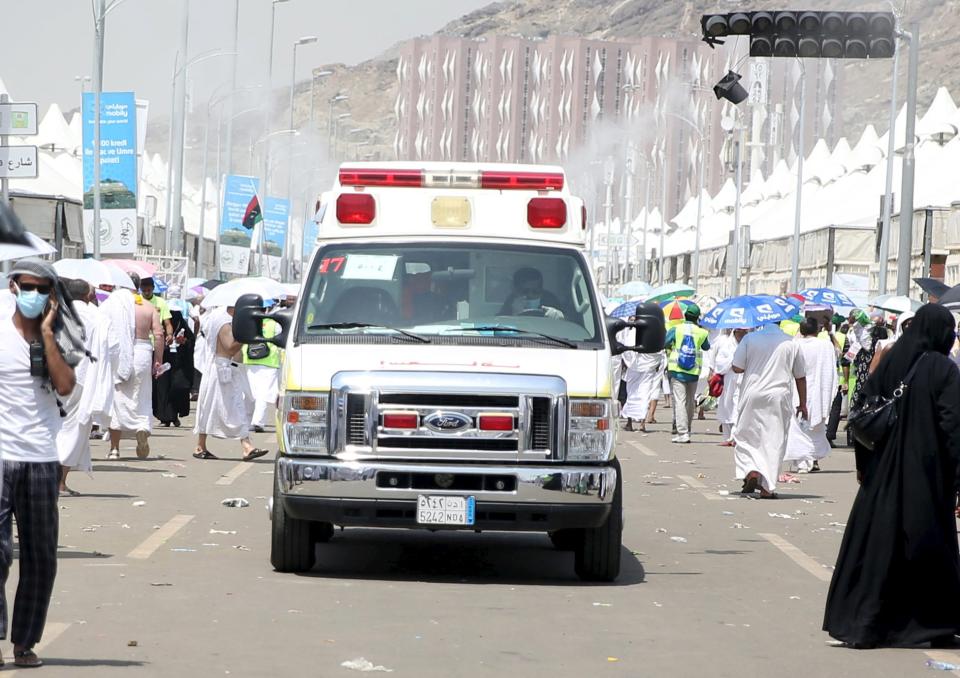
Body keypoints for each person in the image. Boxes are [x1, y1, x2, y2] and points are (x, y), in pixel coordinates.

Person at [824, 304, 960, 648]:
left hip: (882, 472)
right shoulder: (943, 369)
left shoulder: (891, 359)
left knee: (877, 546)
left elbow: (864, 411)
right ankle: (927, 624)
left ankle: (866, 623)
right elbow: (953, 426)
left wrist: (862, 466)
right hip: (925, 475)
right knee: (925, 544)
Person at [0, 259, 76, 668]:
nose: (35, 295)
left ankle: (24, 641)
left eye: (43, 289)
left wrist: (46, 334)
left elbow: (65, 386)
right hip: (1, 454)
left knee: (41, 555)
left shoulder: (63, 336)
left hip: (42, 457)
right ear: (13, 287)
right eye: (28, 287)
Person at [732, 320, 807, 498]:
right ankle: (767, 487)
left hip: (752, 393)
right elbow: (800, 376)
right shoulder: (791, 342)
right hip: (778, 396)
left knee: (746, 436)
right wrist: (803, 403)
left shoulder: (750, 338)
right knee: (774, 439)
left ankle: (751, 470)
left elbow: (737, 367)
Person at [56, 279, 112, 496]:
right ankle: (59, 482)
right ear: (88, 296)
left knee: (52, 426)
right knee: (73, 428)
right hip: (82, 378)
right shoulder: (97, 316)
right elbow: (111, 348)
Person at [193, 305, 268, 461]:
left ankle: (201, 445)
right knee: (236, 405)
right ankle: (247, 446)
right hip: (223, 369)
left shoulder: (226, 320)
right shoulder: (224, 323)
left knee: (211, 407)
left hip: (229, 368)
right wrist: (246, 335)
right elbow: (230, 348)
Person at [108, 273, 163, 460]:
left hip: (118, 352)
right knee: (141, 394)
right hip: (142, 352)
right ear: (138, 286)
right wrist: (159, 360)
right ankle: (141, 427)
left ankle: (114, 449)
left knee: (118, 397)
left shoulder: (114, 306)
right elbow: (159, 334)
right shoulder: (148, 307)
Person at [784, 317, 838, 473]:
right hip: (818, 393)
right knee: (815, 429)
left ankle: (804, 461)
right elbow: (836, 357)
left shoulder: (794, 345)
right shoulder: (825, 345)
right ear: (817, 330)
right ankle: (811, 460)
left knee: (798, 429)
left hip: (796, 391)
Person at [663, 303, 710, 444]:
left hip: (677, 370)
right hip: (693, 372)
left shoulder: (676, 329)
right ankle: (687, 429)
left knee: (679, 401)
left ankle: (682, 433)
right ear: (697, 317)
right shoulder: (702, 332)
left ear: (685, 315)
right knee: (690, 402)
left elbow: (665, 343)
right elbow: (706, 347)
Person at [154, 287, 194, 427]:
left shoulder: (181, 325)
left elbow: (191, 340)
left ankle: (175, 414)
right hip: (164, 359)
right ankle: (165, 417)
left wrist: (184, 342)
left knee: (178, 387)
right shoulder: (160, 326)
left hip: (179, 362)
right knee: (163, 387)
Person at [619, 318, 664, 433]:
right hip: (647, 368)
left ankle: (630, 423)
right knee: (644, 393)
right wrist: (656, 363)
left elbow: (626, 350)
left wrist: (625, 363)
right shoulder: (651, 332)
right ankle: (641, 423)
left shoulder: (630, 333)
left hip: (634, 367)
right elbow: (658, 350)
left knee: (632, 393)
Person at [243, 307, 281, 434]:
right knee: (263, 394)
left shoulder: (248, 323)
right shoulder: (274, 324)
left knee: (250, 394)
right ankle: (258, 422)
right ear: (267, 309)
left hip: (250, 361)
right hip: (269, 362)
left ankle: (246, 422)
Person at [712, 328, 748, 447]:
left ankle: (735, 436)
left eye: (744, 331)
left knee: (739, 408)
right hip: (729, 380)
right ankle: (727, 437)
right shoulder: (726, 345)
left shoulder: (750, 342)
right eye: (740, 332)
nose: (742, 334)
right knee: (727, 407)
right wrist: (734, 360)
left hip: (744, 379)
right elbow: (720, 363)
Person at [498, 267, 564, 319]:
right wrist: (513, 314)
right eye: (525, 291)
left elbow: (571, 323)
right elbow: (498, 324)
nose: (530, 295)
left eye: (535, 291)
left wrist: (560, 316)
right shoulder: (511, 300)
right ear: (516, 291)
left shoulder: (550, 299)